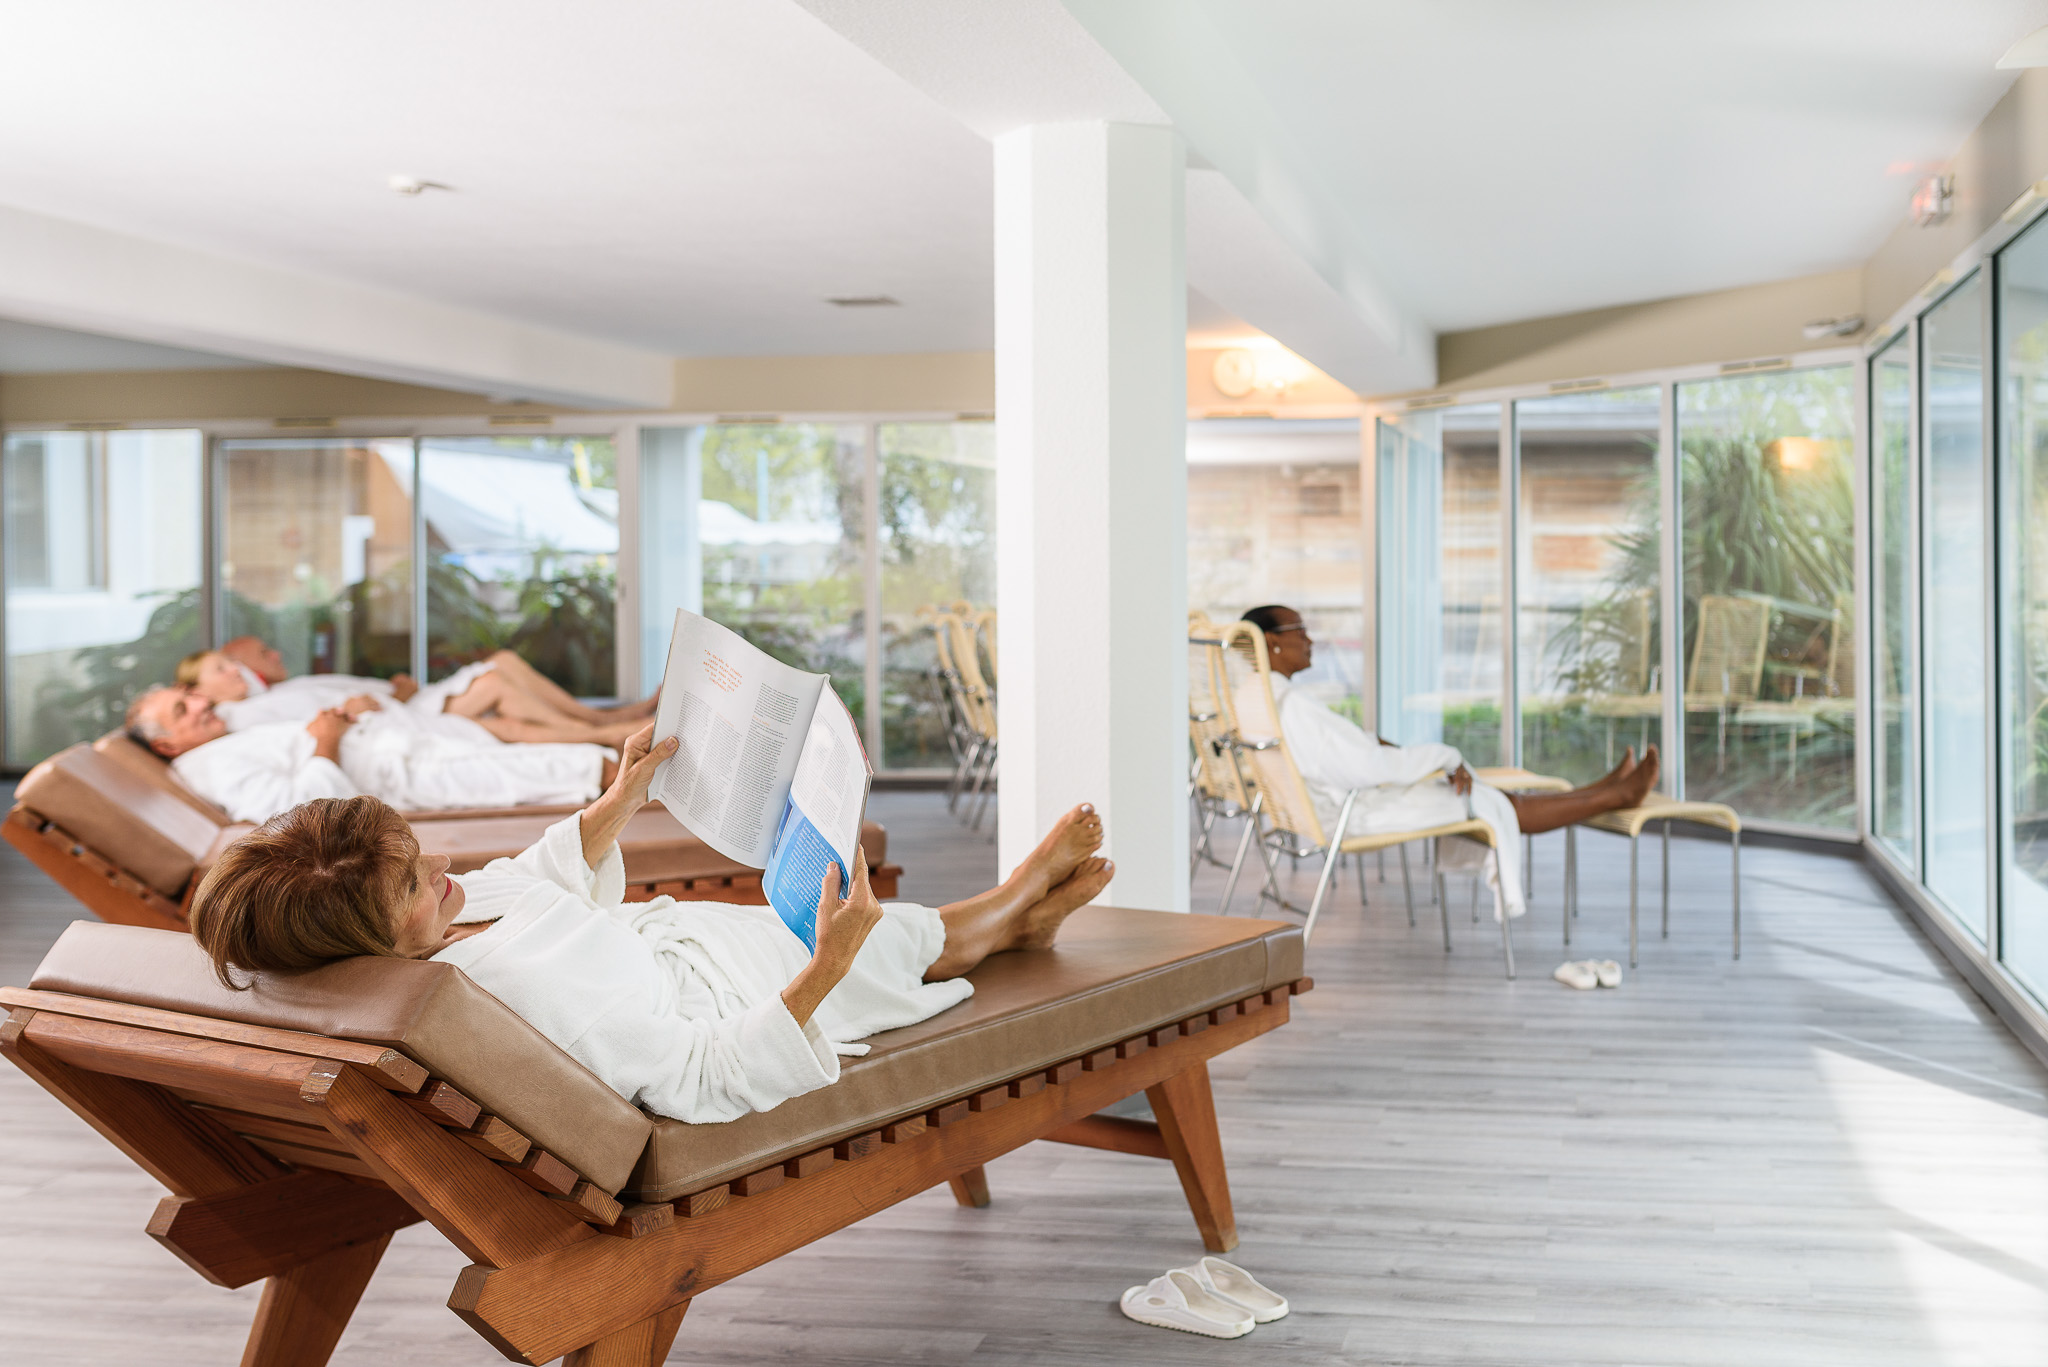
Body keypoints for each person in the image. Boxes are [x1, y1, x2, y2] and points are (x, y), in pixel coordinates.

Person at [187, 723, 1114, 1124]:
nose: (444, 868)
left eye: (418, 852)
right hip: (746, 997)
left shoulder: (436, 931)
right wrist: (825, 969)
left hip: (700, 947)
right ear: (370, 940)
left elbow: (532, 877)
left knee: (860, 923)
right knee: (880, 939)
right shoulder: (521, 1000)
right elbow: (700, 1076)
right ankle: (1000, 915)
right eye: (414, 884)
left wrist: (621, 799)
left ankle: (1005, 921)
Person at [1237, 605, 1658, 921]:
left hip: (1320, 811)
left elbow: (1338, 754)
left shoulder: (1255, 699)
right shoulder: (1291, 705)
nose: (1310, 640)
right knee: (1496, 804)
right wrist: (1445, 756)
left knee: (1480, 794)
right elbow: (1365, 768)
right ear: (1272, 642)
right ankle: (1617, 795)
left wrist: (1385, 747)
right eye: (1300, 631)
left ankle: (1602, 789)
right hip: (1353, 814)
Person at [125, 684, 612, 823]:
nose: (201, 702)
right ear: (167, 744)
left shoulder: (220, 746)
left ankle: (641, 770)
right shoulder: (211, 767)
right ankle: (651, 778)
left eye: (190, 695)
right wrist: (327, 736)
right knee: (571, 767)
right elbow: (300, 811)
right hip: (410, 773)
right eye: (183, 709)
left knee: (550, 756)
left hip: (403, 748)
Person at [196, 638, 651, 745]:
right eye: (226, 668)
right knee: (496, 683)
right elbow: (337, 714)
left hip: (405, 701)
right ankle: (606, 727)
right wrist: (390, 698)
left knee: (504, 662)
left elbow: (351, 695)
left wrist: (393, 688)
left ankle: (606, 721)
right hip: (403, 714)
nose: (273, 653)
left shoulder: (288, 690)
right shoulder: (250, 716)